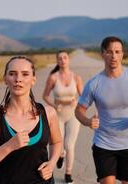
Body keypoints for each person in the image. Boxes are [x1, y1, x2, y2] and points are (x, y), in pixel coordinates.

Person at [75, 36, 128, 184]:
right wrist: (88, 121)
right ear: (102, 54)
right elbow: (78, 110)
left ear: (122, 54)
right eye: (109, 52)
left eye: (117, 52)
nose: (114, 56)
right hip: (103, 145)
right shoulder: (94, 83)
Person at [0, 56, 62, 184]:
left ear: (33, 79)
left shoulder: (48, 113)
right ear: (5, 79)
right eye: (12, 74)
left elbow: (56, 142)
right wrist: (9, 146)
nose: (18, 79)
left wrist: (52, 164)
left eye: (25, 74)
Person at [43, 50, 83, 184]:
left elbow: (83, 97)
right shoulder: (53, 77)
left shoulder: (76, 77)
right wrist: (54, 105)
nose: (63, 60)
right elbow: (45, 96)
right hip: (57, 115)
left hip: (73, 115)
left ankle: (68, 173)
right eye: (60, 58)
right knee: (57, 146)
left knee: (69, 145)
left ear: (69, 60)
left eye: (65, 58)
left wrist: (76, 102)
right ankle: (60, 155)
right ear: (57, 61)